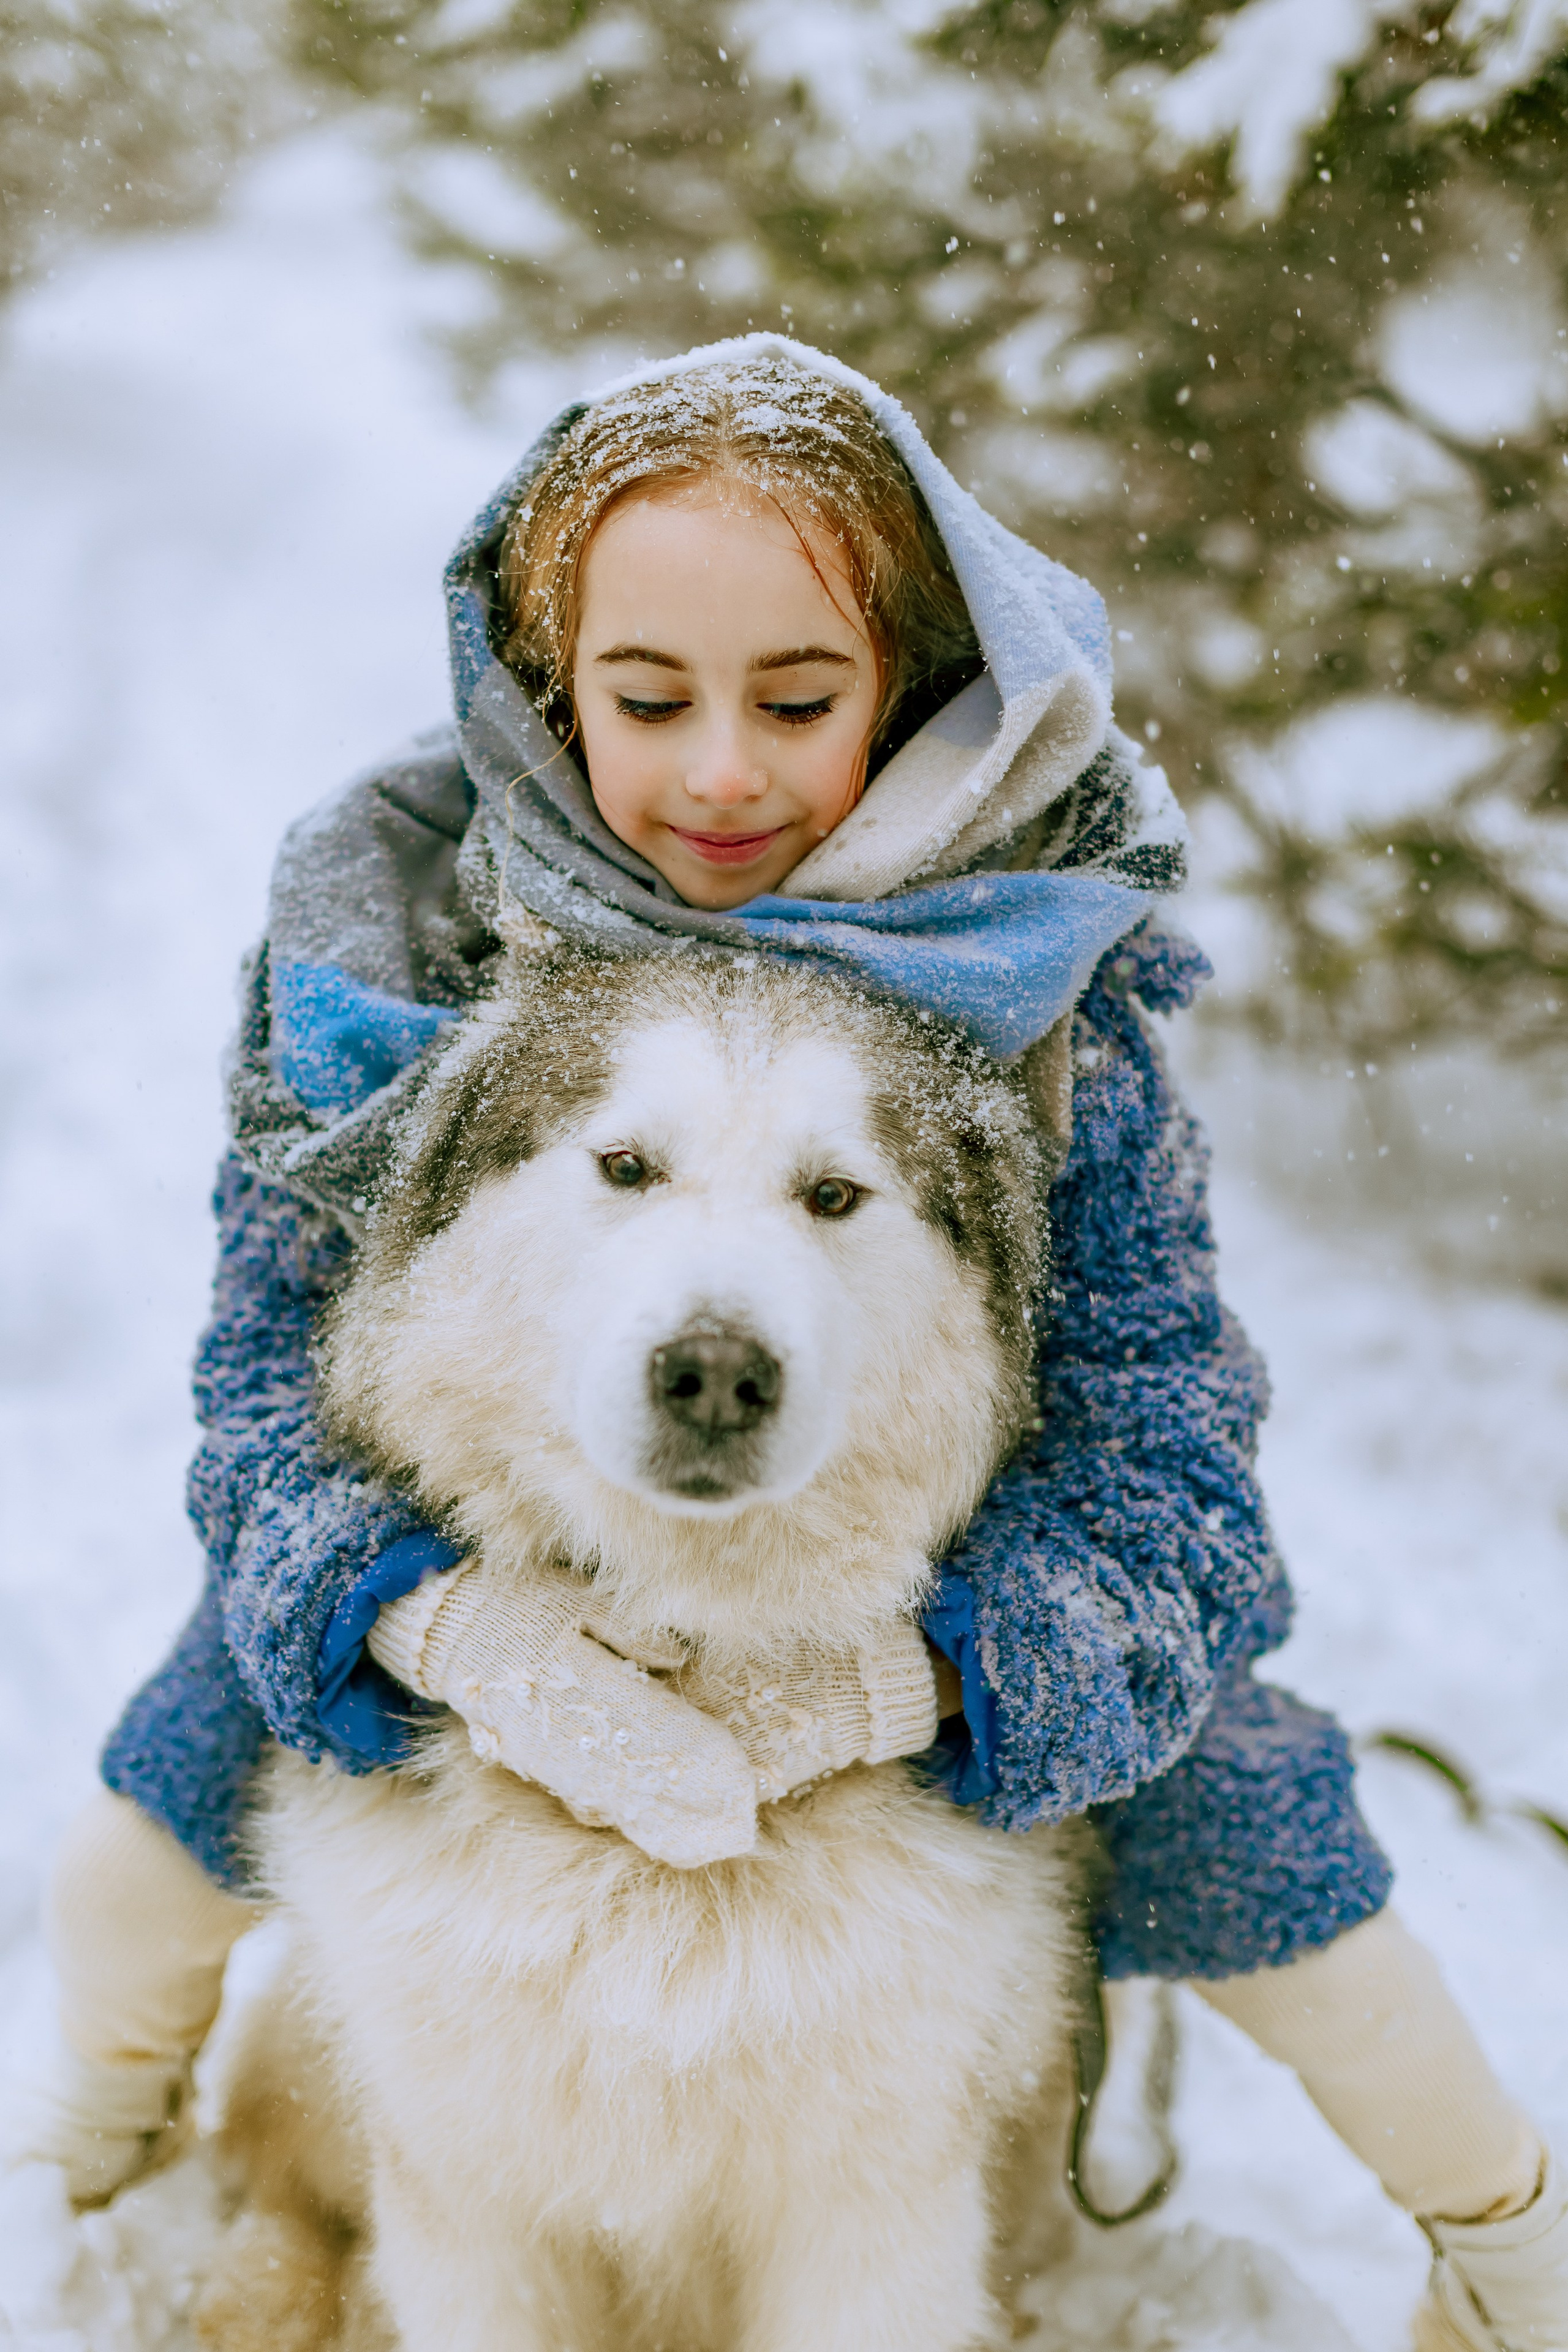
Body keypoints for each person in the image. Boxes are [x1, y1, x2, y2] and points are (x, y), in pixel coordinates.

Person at [16, 339, 1564, 2352]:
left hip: (946, 1615)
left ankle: (1509, 2239)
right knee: (165, 1794)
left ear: (913, 687)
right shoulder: (391, 946)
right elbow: (256, 1401)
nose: (723, 773)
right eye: (650, 703)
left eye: (800, 701)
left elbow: (1167, 1459)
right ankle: (75, 2148)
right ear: (547, 680)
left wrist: (910, 1676)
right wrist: (437, 1632)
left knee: (1268, 1830)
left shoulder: (1044, 986)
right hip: (461, 1586)